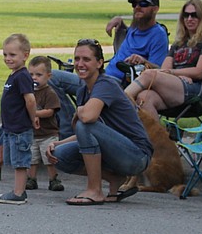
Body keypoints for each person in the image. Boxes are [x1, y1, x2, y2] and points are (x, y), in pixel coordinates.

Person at [47, 39, 153, 205]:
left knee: (85, 123)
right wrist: (59, 143)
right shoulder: (83, 89)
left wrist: (79, 111)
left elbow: (88, 119)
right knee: (59, 155)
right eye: (77, 59)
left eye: (86, 59)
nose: (80, 64)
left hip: (136, 156)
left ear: (99, 63)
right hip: (114, 149)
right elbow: (90, 133)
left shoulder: (106, 84)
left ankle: (94, 190)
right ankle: (115, 179)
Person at [124, 0, 202, 118]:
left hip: (199, 90)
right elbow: (165, 69)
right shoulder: (179, 43)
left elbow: (200, 72)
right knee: (144, 97)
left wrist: (173, 73)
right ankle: (158, 136)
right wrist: (178, 76)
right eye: (186, 15)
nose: (189, 19)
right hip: (177, 87)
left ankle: (120, 103)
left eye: (194, 15)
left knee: (150, 74)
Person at [0, 34, 40, 205]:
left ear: (25, 55)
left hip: (20, 128)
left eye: (12, 55)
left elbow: (30, 99)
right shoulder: (14, 75)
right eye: (5, 54)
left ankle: (19, 193)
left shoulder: (22, 76)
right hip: (11, 128)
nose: (7, 58)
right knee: (14, 160)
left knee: (20, 161)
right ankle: (17, 190)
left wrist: (33, 117)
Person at [103, 0, 170, 82]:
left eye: (143, 4)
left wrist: (143, 61)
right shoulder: (135, 26)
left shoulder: (158, 35)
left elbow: (159, 70)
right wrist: (119, 21)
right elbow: (131, 36)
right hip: (104, 75)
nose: (137, 7)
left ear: (155, 9)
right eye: (135, 4)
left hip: (118, 83)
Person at [26, 56, 63, 190]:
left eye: (39, 75)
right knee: (32, 159)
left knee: (49, 159)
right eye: (31, 74)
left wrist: (33, 113)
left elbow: (50, 111)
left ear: (48, 76)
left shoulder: (49, 93)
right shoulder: (28, 93)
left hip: (48, 134)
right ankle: (31, 179)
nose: (34, 78)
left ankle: (53, 179)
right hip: (33, 134)